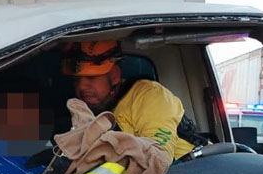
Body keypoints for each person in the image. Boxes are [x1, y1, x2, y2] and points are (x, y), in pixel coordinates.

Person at [61, 41, 196, 161]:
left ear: (114, 76)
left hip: (190, 172)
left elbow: (158, 156)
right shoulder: (84, 116)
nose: (81, 86)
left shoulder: (148, 94)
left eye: (91, 78)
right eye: (76, 80)